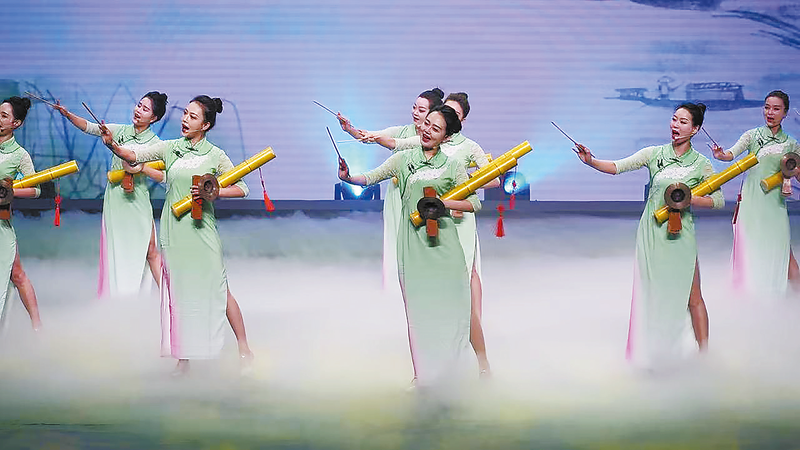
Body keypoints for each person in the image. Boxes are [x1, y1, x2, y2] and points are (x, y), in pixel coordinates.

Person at [100, 95, 251, 375]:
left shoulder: (215, 155)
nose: (185, 119)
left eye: (193, 117)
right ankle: (183, 359)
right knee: (178, 295)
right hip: (174, 230)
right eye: (185, 114)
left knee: (219, 290)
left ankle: (244, 349)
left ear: (205, 125)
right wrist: (112, 144)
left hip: (202, 232)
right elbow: (133, 156)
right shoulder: (170, 148)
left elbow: (242, 188)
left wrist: (214, 192)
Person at [338, 104, 480, 388]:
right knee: (416, 313)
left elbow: (473, 202)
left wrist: (444, 203)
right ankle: (421, 377)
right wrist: (348, 177)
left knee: (451, 310)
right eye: (427, 124)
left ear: (446, 137)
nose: (427, 130)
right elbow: (370, 178)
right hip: (413, 245)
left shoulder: (453, 165)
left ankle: (453, 373)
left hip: (445, 246)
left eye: (435, 129)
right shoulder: (403, 159)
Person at [575, 103, 723, 369]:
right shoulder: (654, 153)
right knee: (651, 294)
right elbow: (618, 167)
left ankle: (705, 356)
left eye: (683, 122)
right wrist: (591, 161)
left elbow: (718, 201)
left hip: (682, 235)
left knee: (693, 297)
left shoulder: (702, 164)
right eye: (674, 119)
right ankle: (654, 354)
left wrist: (690, 198)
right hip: (652, 232)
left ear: (695, 129)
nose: (675, 126)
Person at [369, 92, 499, 377]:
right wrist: (360, 134)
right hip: (425, 221)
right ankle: (426, 372)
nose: (441, 119)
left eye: (453, 115)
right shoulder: (420, 143)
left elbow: (493, 179)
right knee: (425, 301)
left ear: (458, 123)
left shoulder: (468, 148)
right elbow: (393, 144)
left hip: (457, 224)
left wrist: (457, 190)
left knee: (462, 301)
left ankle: (480, 363)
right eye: (439, 113)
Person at [53, 92, 167, 298]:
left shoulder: (156, 143)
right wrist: (67, 114)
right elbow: (89, 127)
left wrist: (140, 167)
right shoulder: (120, 130)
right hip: (115, 198)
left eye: (145, 109)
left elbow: (163, 176)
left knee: (150, 250)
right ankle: (117, 300)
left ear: (154, 118)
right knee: (115, 250)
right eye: (139, 105)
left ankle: (167, 300)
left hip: (138, 200)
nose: (138, 110)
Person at [337, 88, 444, 294]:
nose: (415, 112)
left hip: (422, 195)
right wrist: (349, 129)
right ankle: (394, 289)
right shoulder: (403, 130)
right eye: (414, 107)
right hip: (397, 195)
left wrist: (376, 138)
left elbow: (393, 144)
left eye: (421, 110)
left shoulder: (435, 138)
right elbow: (369, 136)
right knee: (394, 240)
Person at [711, 91, 800, 297]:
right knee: (749, 253)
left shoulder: (791, 144)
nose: (770, 112)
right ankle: (749, 300)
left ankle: (790, 301)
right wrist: (720, 154)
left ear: (785, 113)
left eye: (776, 109)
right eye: (767, 107)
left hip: (775, 206)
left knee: (782, 254)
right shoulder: (752, 135)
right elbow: (730, 154)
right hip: (751, 204)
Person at [0, 97, 42, 332]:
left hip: (1, 221)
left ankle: (37, 327)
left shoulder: (19, 155)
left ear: (16, 123)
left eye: (4, 116)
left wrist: (9, 191)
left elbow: (36, 190)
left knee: (16, 273)